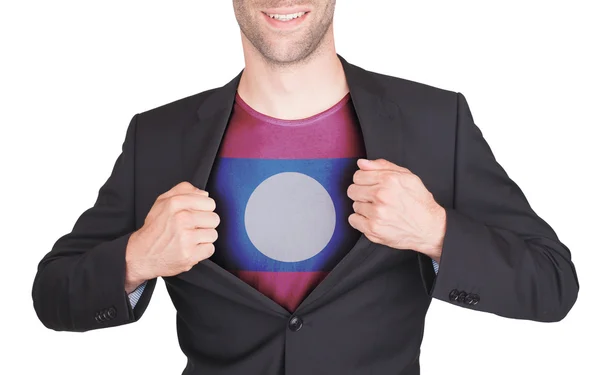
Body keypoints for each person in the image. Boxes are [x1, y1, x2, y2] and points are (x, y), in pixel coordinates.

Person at [31, 1, 579, 374]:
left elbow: (553, 284)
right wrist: (137, 257)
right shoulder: (159, 136)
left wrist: (437, 232)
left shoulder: (435, 121)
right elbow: (53, 294)